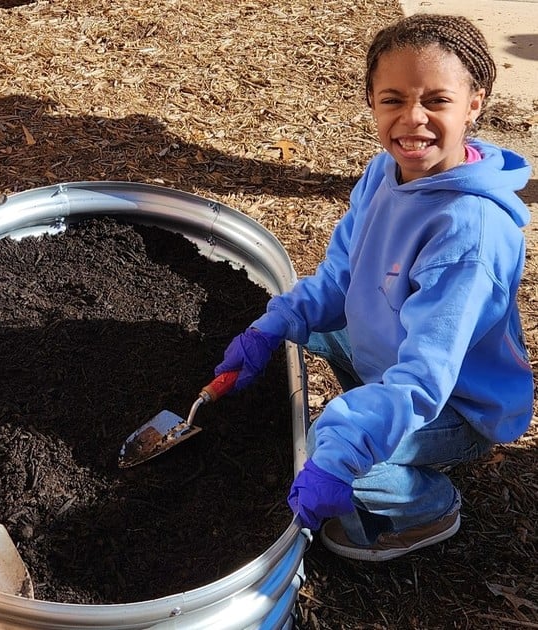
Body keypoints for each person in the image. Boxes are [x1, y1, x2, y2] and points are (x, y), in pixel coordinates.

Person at [216, 13, 532, 561]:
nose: (413, 120)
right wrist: (271, 326)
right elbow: (341, 278)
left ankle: (429, 504)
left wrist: (342, 445)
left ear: (474, 104)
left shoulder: (469, 234)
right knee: (305, 329)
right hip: (394, 354)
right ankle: (365, 424)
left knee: (324, 453)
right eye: (393, 100)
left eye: (437, 100)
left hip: (456, 404)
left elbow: (425, 378)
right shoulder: (385, 173)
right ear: (371, 101)